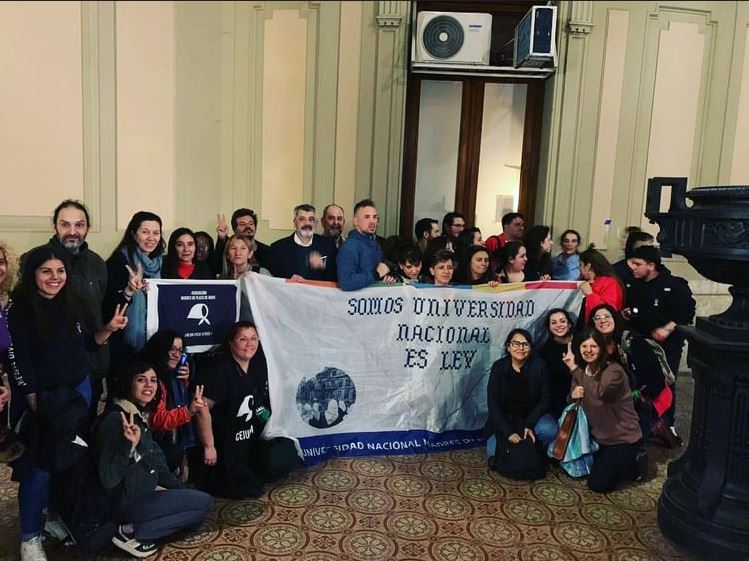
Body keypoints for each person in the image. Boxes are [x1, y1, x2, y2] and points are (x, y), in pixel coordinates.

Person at [7, 244, 129, 561]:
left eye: (60, 270)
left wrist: (109, 329)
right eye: (46, 271)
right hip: (43, 401)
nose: (55, 277)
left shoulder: (70, 302)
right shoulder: (18, 310)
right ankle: (29, 538)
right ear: (32, 274)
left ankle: (53, 518)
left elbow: (89, 342)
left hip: (79, 394)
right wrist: (35, 403)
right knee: (39, 468)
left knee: (68, 460)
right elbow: (18, 361)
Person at [95, 360, 212, 558]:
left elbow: (156, 463)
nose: (149, 386)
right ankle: (132, 531)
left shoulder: (139, 416)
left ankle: (143, 526)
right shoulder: (117, 421)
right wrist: (128, 446)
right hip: (128, 503)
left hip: (145, 490)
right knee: (204, 503)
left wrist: (174, 490)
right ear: (128, 384)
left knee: (196, 517)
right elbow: (108, 479)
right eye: (141, 380)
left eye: (153, 380)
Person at [194, 322, 300, 499]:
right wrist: (209, 446)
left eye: (253, 338)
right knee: (233, 484)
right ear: (231, 342)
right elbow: (201, 410)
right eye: (242, 339)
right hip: (224, 443)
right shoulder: (218, 369)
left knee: (286, 452)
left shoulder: (257, 366)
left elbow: (258, 406)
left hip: (248, 441)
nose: (249, 344)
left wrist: (270, 422)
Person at [562, 328, 646, 493]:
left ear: (601, 348)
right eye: (584, 346)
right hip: (598, 438)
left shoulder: (614, 371)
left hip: (622, 438)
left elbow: (600, 393)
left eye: (593, 346)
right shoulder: (582, 371)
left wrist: (574, 369)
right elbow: (573, 400)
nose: (588, 351)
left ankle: (635, 461)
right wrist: (572, 396)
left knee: (598, 484)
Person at [46, 200, 109, 418]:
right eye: (65, 225)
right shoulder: (35, 261)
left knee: (86, 437)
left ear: (87, 228)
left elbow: (102, 312)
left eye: (79, 225)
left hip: (91, 368)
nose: (72, 231)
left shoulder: (97, 264)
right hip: (51, 375)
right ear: (55, 226)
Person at [624, 245, 695, 436]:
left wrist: (667, 328)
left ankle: (667, 423)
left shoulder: (674, 285)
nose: (633, 267)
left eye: (637, 264)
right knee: (641, 381)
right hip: (642, 341)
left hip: (667, 345)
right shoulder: (634, 284)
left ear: (651, 265)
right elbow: (637, 308)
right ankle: (644, 422)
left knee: (666, 382)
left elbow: (687, 312)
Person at [588, 304, 677, 445]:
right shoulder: (591, 346)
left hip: (638, 396)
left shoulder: (633, 342)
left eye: (606, 316)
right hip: (612, 396)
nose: (602, 320)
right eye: (597, 318)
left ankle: (651, 431)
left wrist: (634, 396)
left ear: (615, 319)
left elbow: (655, 379)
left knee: (633, 444)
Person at [104, 211, 165, 378]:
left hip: (153, 342)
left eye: (156, 233)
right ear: (133, 234)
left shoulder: (161, 263)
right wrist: (129, 291)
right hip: (123, 345)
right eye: (145, 232)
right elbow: (108, 307)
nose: (151, 238)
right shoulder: (118, 262)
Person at [485, 328, 558, 461]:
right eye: (516, 344)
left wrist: (529, 424)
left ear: (530, 348)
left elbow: (545, 398)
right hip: (507, 419)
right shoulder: (499, 367)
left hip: (532, 417)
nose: (521, 348)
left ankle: (533, 450)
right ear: (508, 347)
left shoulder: (540, 366)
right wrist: (508, 431)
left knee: (550, 430)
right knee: (492, 452)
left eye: (525, 344)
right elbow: (492, 402)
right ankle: (526, 450)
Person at [140, 330, 204, 475]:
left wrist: (184, 381)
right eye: (172, 349)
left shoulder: (173, 374)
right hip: (146, 440)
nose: (177, 355)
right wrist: (189, 411)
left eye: (180, 351)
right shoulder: (149, 377)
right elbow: (157, 420)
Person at [337, 199, 397, 291]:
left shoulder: (375, 244)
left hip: (372, 302)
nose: (373, 221)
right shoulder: (350, 247)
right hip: (356, 303)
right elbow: (346, 282)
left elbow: (381, 271)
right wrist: (376, 274)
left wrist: (388, 277)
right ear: (355, 221)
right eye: (367, 217)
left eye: (375, 217)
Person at [268, 204, 338, 282]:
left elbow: (336, 279)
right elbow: (272, 282)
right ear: (295, 223)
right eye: (302, 219)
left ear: (316, 223)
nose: (307, 223)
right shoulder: (277, 249)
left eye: (311, 219)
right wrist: (288, 280)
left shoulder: (329, 246)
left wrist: (323, 265)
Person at [538, 309, 576, 418]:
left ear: (569, 324)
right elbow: (549, 387)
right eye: (554, 323)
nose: (559, 325)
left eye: (562, 321)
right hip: (562, 404)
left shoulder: (583, 342)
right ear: (549, 328)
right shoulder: (545, 352)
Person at [214, 209, 270, 273]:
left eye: (251, 224)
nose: (248, 226)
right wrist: (222, 238)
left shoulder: (266, 250)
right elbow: (217, 269)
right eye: (242, 224)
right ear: (234, 229)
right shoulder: (227, 246)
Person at [578, 247, 624, 324]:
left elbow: (608, 310)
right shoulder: (581, 281)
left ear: (588, 266)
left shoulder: (609, 283)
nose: (579, 268)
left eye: (580, 265)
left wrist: (590, 294)